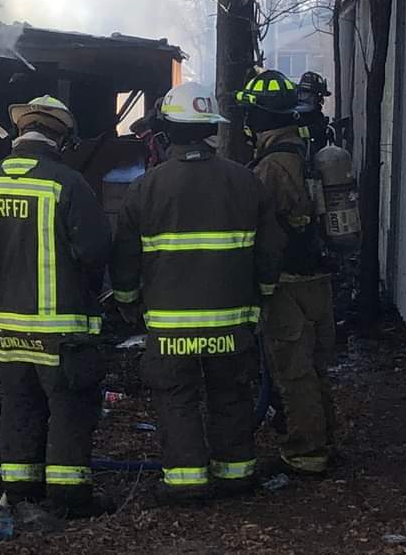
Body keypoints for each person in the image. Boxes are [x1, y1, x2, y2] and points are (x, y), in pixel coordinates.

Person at [110, 82, 283, 502]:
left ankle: (186, 483)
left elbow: (125, 257)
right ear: (210, 128)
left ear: (168, 129)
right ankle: (236, 475)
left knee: (176, 397)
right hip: (232, 321)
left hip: (170, 327)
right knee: (232, 394)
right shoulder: (245, 181)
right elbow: (270, 250)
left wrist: (127, 302)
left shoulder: (145, 188)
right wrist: (262, 296)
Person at [0, 95, 111, 516]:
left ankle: (21, 490)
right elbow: (94, 250)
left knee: (19, 404)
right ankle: (68, 495)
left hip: (4, 329)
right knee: (69, 407)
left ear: (22, 132)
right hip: (60, 332)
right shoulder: (68, 184)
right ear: (62, 139)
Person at [236, 69, 337, 476]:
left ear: (260, 116)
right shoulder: (306, 148)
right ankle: (325, 438)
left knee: (293, 371)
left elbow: (260, 228)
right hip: (317, 278)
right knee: (313, 367)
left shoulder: (271, 167)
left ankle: (306, 451)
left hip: (286, 282)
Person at [295, 72, 334, 157]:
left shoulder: (314, 113)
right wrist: (317, 129)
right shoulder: (295, 114)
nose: (321, 100)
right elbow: (295, 132)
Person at [129, 96, 169, 169]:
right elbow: (133, 128)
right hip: (157, 165)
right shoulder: (152, 125)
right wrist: (148, 117)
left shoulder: (166, 127)